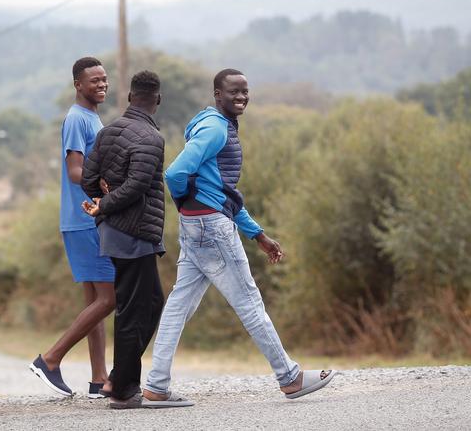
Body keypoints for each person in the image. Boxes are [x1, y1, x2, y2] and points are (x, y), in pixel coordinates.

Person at [141, 68, 335, 408]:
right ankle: (289, 378)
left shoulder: (214, 124)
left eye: (245, 91)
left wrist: (257, 234)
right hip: (210, 228)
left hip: (197, 226)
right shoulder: (216, 128)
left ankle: (156, 384)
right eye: (234, 92)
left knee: (179, 304)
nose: (241, 96)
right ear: (217, 94)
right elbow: (174, 173)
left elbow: (223, 193)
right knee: (249, 302)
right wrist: (186, 200)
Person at [29, 57, 115, 399]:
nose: (102, 84)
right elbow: (75, 171)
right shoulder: (77, 118)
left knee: (95, 300)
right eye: (94, 80)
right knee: (111, 298)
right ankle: (50, 359)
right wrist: (109, 186)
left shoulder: (92, 117)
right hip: (84, 219)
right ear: (78, 85)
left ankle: (98, 380)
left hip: (86, 218)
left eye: (105, 79)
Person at [81, 70, 166, 410]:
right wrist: (110, 202)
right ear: (156, 100)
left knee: (153, 303)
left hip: (113, 232)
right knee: (134, 311)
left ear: (131, 97)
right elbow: (137, 186)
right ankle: (122, 390)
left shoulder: (108, 131)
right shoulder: (151, 138)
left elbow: (88, 178)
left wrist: (102, 200)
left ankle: (119, 376)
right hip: (134, 234)